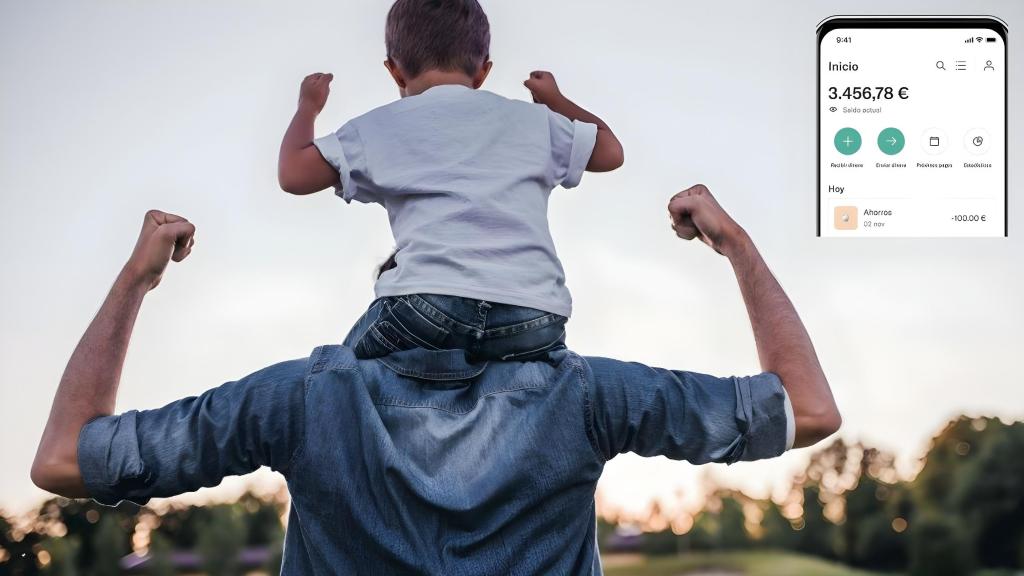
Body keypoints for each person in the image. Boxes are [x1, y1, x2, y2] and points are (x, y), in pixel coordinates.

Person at [31, 185, 841, 575]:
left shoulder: (303, 400)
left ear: (391, 291)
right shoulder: (586, 397)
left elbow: (65, 458)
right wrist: (735, 244)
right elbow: (806, 408)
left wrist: (136, 280)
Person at [277, 0, 624, 362]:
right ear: (483, 72)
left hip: (427, 308)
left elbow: (293, 174)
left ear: (395, 72)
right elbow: (611, 152)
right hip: (534, 316)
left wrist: (308, 107)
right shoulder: (532, 120)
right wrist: (554, 100)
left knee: (340, 372)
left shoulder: (381, 125)